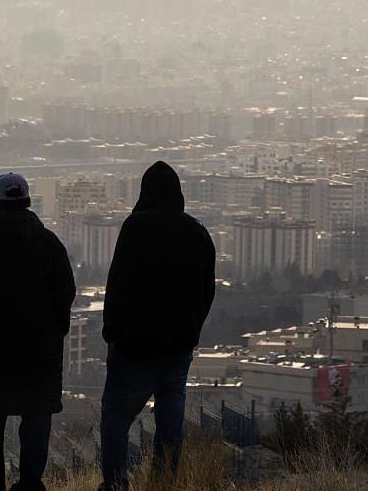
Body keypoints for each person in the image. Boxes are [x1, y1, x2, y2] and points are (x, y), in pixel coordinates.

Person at [98, 161, 216, 491]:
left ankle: (116, 484)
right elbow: (207, 290)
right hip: (178, 348)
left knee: (116, 418)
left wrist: (112, 338)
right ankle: (164, 482)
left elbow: (117, 286)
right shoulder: (197, 232)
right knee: (170, 423)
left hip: (135, 346)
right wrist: (191, 330)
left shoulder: (135, 228)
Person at [0, 173, 76, 491]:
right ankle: (30, 482)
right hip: (39, 351)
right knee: (36, 415)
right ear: (27, 200)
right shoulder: (49, 243)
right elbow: (65, 291)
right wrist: (55, 330)